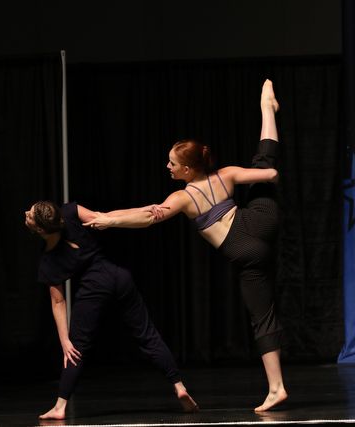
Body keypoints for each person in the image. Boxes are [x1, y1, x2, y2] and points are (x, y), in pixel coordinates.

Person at [83, 79, 287, 412]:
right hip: (263, 221)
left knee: (262, 317)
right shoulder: (227, 174)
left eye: (172, 164)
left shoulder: (183, 197)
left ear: (187, 169)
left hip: (243, 250)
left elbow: (147, 215)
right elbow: (271, 175)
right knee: (263, 160)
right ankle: (267, 108)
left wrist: (109, 220)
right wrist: (264, 178)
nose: (168, 167)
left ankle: (277, 388)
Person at [24, 200, 199, 420]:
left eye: (29, 214)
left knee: (76, 348)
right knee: (147, 335)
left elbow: (58, 302)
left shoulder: (49, 260)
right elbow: (107, 216)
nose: (26, 213)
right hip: (118, 276)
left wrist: (65, 341)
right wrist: (143, 209)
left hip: (93, 287)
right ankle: (179, 386)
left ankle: (60, 407)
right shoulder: (69, 211)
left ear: (40, 230)